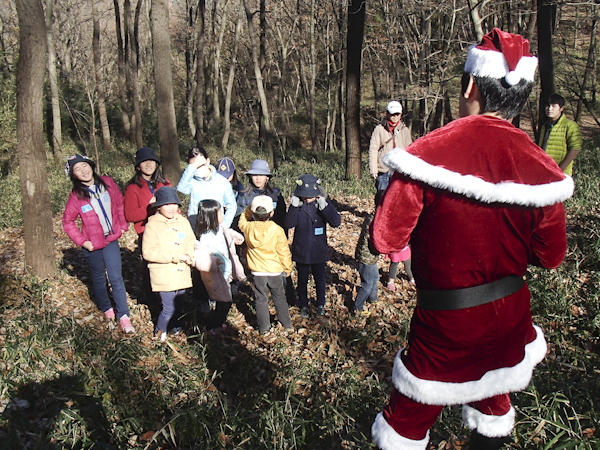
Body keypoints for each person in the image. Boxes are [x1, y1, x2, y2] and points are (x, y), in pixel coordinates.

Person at [370, 28, 573, 450]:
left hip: (447, 323)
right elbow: (551, 256)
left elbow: (385, 237)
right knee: (493, 397)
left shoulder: (425, 156)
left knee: (408, 416)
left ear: (469, 86)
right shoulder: (542, 167)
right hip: (510, 315)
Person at [62, 154, 135, 334]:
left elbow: (119, 203)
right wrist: (82, 242)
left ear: (91, 165)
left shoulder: (108, 182)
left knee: (116, 277)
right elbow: (67, 222)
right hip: (92, 245)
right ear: (73, 175)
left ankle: (124, 315)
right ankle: (105, 307)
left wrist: (123, 224)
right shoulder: (76, 196)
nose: (83, 171)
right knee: (99, 278)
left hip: (110, 240)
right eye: (77, 169)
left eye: (84, 166)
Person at [142, 187, 195, 342]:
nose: (171, 208)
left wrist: (189, 255)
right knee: (168, 307)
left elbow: (190, 241)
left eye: (174, 204)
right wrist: (174, 256)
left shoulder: (183, 222)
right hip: (163, 274)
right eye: (166, 204)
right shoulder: (152, 225)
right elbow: (148, 252)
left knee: (179, 303)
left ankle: (175, 326)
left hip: (181, 272)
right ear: (159, 206)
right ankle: (159, 332)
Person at [286, 174, 341, 318]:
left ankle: (320, 304)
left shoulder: (321, 205)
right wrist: (293, 206)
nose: (307, 198)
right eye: (304, 195)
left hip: (319, 250)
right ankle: (303, 304)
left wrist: (326, 207)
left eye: (310, 195)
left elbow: (336, 222)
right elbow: (289, 223)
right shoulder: (298, 206)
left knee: (320, 279)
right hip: (302, 250)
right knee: (302, 280)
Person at [124, 147, 171, 307]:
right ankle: (152, 301)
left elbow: (174, 206)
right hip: (147, 233)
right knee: (150, 267)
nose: (148, 164)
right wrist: (149, 207)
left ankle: (170, 299)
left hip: (167, 230)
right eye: (144, 162)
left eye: (151, 161)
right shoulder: (132, 188)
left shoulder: (165, 183)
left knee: (168, 264)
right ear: (138, 166)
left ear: (157, 164)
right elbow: (130, 215)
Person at [238, 195, 293, 333]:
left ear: (253, 212)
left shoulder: (248, 228)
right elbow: (283, 251)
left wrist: (248, 210)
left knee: (260, 299)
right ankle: (286, 325)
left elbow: (241, 221)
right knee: (279, 298)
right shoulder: (277, 230)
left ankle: (264, 328)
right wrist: (287, 268)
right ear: (272, 213)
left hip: (257, 271)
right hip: (274, 270)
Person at [194, 200, 244, 331]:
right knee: (225, 302)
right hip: (217, 275)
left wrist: (236, 237)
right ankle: (212, 325)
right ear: (211, 216)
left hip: (226, 272)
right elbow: (204, 258)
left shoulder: (220, 229)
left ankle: (216, 321)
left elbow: (228, 233)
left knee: (225, 300)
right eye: (220, 212)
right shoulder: (205, 238)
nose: (223, 214)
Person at [176, 146, 237, 229]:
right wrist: (191, 168)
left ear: (208, 161)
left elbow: (232, 206)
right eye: (195, 166)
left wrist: (224, 225)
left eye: (201, 165)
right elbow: (182, 189)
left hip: (216, 228)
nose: (198, 169)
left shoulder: (222, 182)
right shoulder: (192, 180)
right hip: (195, 226)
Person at [369, 100, 412, 206]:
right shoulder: (379, 129)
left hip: (399, 170)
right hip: (383, 169)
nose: (395, 116)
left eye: (397, 114)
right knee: (381, 197)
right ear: (387, 113)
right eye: (392, 114)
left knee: (398, 198)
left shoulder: (405, 130)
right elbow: (373, 149)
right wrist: (373, 169)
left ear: (401, 114)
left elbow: (410, 150)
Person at [538, 93, 583, 176]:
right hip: (544, 172)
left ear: (561, 108)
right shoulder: (545, 126)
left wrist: (560, 170)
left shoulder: (570, 125)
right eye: (548, 106)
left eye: (554, 106)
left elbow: (575, 148)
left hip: (561, 175)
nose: (550, 109)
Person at [236, 159, 286, 230]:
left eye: (261, 175)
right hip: (250, 235)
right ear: (250, 176)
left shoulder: (275, 194)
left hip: (271, 236)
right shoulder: (244, 195)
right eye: (255, 175)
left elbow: (282, 219)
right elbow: (240, 219)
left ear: (267, 177)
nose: (258, 178)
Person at [353, 213, 379, 316]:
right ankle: (357, 307)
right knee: (367, 283)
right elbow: (375, 238)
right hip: (366, 257)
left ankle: (372, 298)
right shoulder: (374, 220)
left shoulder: (375, 216)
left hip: (371, 256)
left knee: (375, 278)